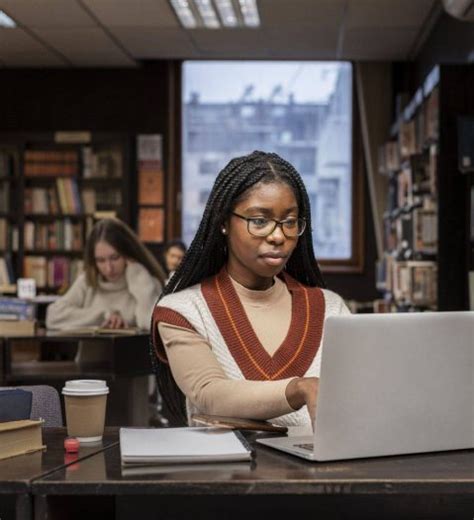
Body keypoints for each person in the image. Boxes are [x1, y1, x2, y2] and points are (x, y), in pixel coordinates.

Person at [151, 151, 350, 428]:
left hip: (322, 469)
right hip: (225, 471)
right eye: (259, 221)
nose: (278, 235)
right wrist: (298, 388)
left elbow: (357, 393)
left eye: (290, 222)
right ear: (223, 223)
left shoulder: (331, 309)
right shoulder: (182, 311)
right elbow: (210, 393)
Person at [46, 218, 166, 331]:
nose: (109, 269)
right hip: (90, 354)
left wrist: (138, 275)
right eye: (100, 260)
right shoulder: (88, 281)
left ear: (128, 254)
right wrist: (104, 315)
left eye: (115, 258)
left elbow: (150, 324)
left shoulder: (145, 282)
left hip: (133, 353)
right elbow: (53, 317)